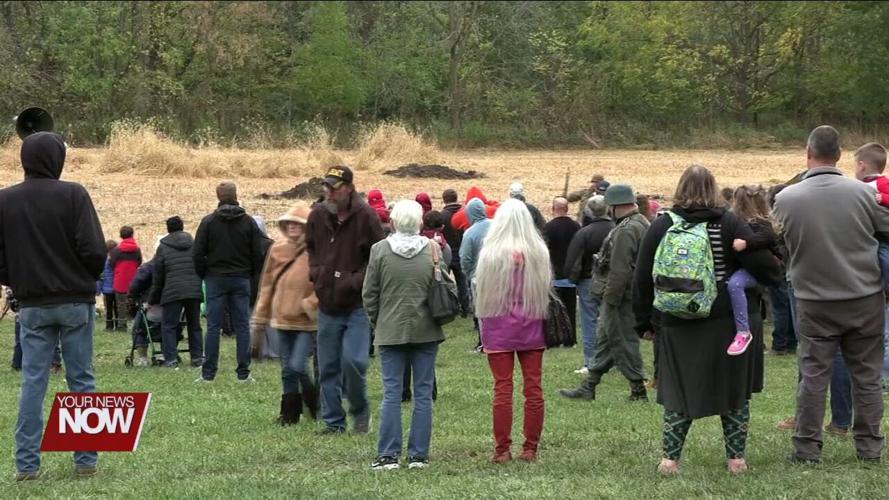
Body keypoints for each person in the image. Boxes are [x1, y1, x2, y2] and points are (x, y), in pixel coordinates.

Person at [634, 165, 780, 475]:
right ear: (713, 188)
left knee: (678, 391)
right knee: (734, 391)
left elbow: (643, 277)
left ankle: (670, 461)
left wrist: (644, 322)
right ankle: (736, 460)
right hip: (729, 323)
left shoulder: (661, 225)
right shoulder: (730, 222)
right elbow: (767, 270)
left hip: (676, 320)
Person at [773, 125, 889, 464]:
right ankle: (869, 448)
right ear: (840, 156)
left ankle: (807, 448)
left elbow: (780, 240)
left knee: (813, 375)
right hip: (863, 296)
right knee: (866, 376)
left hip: (813, 299)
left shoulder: (786, 199)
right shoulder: (864, 194)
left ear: (808, 154)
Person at [0, 131, 106, 481]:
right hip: (75, 300)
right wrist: (86, 276)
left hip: (31, 304)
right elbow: (93, 249)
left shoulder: (5, 200)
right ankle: (86, 460)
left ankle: (27, 465)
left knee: (33, 383)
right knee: (82, 380)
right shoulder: (74, 194)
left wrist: (17, 279)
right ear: (57, 159)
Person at [363, 200, 453, 470]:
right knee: (423, 394)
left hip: (390, 330)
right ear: (420, 224)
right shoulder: (433, 249)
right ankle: (418, 455)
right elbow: (448, 285)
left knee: (391, 393)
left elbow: (370, 294)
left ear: (392, 222)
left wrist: (379, 322)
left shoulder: (378, 251)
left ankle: (388, 454)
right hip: (426, 330)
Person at [306, 165, 384, 434]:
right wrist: (316, 272)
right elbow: (311, 248)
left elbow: (378, 257)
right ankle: (333, 422)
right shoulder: (317, 215)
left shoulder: (366, 217)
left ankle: (361, 412)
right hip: (327, 304)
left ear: (348, 188)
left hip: (356, 306)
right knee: (327, 367)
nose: (329, 191)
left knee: (354, 362)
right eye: (326, 186)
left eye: (334, 187)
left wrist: (354, 281)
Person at [475, 198, 551, 463]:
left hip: (497, 327)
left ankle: (502, 449)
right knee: (534, 388)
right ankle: (530, 448)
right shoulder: (539, 252)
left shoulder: (490, 253)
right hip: (532, 325)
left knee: (502, 389)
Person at [560, 185, 650, 402]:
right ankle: (589, 385)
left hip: (620, 297)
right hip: (625, 294)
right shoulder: (640, 223)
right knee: (605, 340)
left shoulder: (626, 230)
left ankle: (638, 389)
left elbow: (620, 270)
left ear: (615, 206)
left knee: (623, 341)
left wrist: (610, 299)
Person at [252, 202, 320, 425]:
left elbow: (323, 285)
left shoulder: (317, 251)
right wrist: (260, 318)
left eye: (298, 223)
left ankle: (313, 401)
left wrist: (310, 305)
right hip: (281, 319)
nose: (292, 227)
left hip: (305, 322)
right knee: (286, 369)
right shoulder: (277, 249)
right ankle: (289, 414)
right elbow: (267, 284)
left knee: (297, 365)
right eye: (289, 223)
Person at [193, 181, 266, 382]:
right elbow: (258, 253)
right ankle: (243, 373)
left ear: (218, 196)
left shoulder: (208, 222)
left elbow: (197, 253)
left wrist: (204, 274)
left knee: (214, 326)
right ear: (236, 195)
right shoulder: (249, 222)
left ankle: (208, 374)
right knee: (242, 325)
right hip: (241, 278)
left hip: (215, 278)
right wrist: (251, 274)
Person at [725, 186, 780, 356]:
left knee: (735, 285)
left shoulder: (761, 223)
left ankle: (743, 331)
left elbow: (768, 236)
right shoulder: (739, 222)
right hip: (751, 269)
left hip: (761, 271)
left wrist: (746, 243)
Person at [564, 195, 614, 373]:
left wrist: (572, 278)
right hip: (613, 280)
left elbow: (572, 260)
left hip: (588, 280)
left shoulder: (584, 233)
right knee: (611, 320)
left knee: (589, 321)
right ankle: (612, 360)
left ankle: (591, 361)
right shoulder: (616, 230)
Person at [150, 216, 205, 368]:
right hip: (193, 290)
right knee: (194, 325)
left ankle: (171, 359)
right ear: (182, 227)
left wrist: (153, 297)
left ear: (168, 229)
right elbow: (201, 264)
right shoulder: (193, 244)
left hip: (172, 291)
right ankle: (197, 357)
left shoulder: (163, 247)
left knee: (169, 326)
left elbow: (158, 275)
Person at [542, 197, 580, 346]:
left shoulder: (548, 228)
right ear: (567, 209)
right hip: (571, 275)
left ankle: (555, 338)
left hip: (554, 274)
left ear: (553, 209)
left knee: (554, 309)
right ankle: (571, 340)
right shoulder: (576, 227)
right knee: (570, 309)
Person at [460, 198, 493, 352]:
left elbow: (465, 257)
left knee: (481, 310)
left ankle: (484, 342)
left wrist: (468, 273)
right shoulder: (496, 226)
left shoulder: (470, 233)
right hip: (499, 274)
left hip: (478, 276)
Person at [441, 189, 471, 316]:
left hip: (446, 253)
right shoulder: (464, 213)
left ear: (444, 199)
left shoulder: (442, 215)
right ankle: (465, 308)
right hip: (461, 251)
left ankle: (448, 309)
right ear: (456, 198)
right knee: (462, 282)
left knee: (445, 283)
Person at [109, 226, 142, 332]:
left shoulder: (116, 251)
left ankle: (121, 325)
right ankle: (138, 324)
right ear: (132, 234)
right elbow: (139, 262)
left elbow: (111, 263)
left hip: (120, 280)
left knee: (121, 304)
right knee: (137, 302)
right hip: (134, 280)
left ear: (121, 236)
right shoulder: (137, 250)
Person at [99, 240, 119, 330]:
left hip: (107, 288)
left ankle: (109, 326)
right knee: (117, 307)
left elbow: (101, 275)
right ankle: (118, 324)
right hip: (117, 287)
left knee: (109, 308)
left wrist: (99, 288)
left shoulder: (104, 260)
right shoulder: (117, 260)